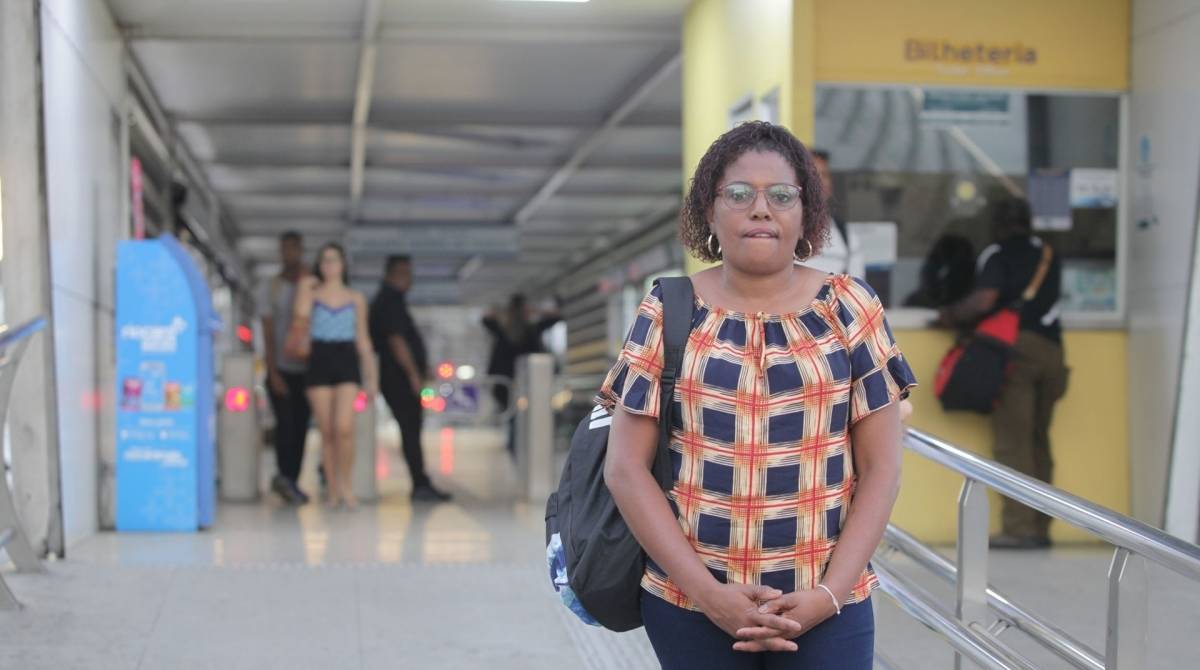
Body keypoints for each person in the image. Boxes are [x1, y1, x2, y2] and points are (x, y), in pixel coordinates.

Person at [602, 121, 916, 669]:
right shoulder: (668, 309)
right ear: (709, 211)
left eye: (782, 195)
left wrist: (828, 595)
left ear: (807, 215)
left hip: (828, 606)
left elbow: (882, 467)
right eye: (739, 194)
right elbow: (625, 469)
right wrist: (709, 596)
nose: (761, 209)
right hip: (690, 605)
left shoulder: (850, 308)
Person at [939, 198, 1067, 549]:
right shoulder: (1048, 253)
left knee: (1014, 442)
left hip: (1017, 352)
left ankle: (1020, 528)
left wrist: (949, 314)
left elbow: (983, 300)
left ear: (998, 224)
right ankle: (1041, 526)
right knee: (1039, 440)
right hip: (1053, 352)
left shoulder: (998, 253)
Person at [292, 243, 377, 510]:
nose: (329, 266)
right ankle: (332, 490)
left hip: (346, 359)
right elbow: (301, 317)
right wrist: (306, 287)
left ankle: (347, 486)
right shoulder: (312, 295)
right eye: (324, 261)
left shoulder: (355, 298)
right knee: (327, 430)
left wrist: (372, 377)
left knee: (344, 427)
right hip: (319, 358)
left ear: (343, 265)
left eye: (334, 260)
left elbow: (363, 339)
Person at [369, 255, 451, 502]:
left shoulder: (393, 300)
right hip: (398, 378)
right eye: (405, 273)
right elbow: (397, 341)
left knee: (412, 429)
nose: (410, 278)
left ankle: (420, 481)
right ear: (393, 274)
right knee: (410, 428)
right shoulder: (389, 301)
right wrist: (414, 375)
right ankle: (419, 483)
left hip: (399, 376)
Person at [258, 230, 311, 505]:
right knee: (285, 425)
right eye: (285, 248)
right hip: (281, 368)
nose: (289, 253)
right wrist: (273, 370)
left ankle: (293, 478)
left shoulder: (312, 285)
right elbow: (267, 331)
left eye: (294, 248)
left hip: (308, 371)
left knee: (301, 426)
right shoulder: (272, 288)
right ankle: (284, 476)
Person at [483, 294, 562, 454]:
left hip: (520, 383)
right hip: (517, 383)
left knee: (519, 418)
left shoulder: (510, 329)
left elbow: (487, 319)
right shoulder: (522, 330)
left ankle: (519, 447)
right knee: (519, 418)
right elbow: (486, 319)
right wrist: (536, 311)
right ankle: (519, 447)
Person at [805, 149, 865, 278]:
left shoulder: (846, 236)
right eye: (813, 174)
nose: (819, 181)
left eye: (824, 175)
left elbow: (857, 292)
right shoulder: (782, 232)